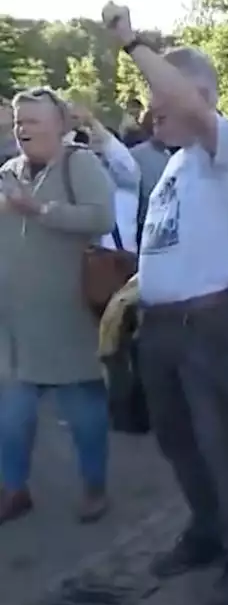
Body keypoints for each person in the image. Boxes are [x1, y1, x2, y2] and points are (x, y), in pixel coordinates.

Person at [102, 2, 228, 605]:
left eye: (161, 96)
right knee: (177, 441)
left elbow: (191, 109)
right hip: (163, 323)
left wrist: (132, 43)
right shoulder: (173, 163)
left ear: (194, 92)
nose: (151, 110)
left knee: (219, 442)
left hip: (206, 323)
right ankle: (206, 532)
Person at [0, 88, 116, 525]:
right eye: (18, 120)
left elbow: (101, 217)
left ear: (60, 125)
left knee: (84, 414)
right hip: (14, 322)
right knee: (11, 418)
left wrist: (41, 209)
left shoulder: (78, 163)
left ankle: (94, 487)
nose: (23, 129)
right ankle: (14, 489)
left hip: (67, 320)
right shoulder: (7, 170)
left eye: (32, 121)